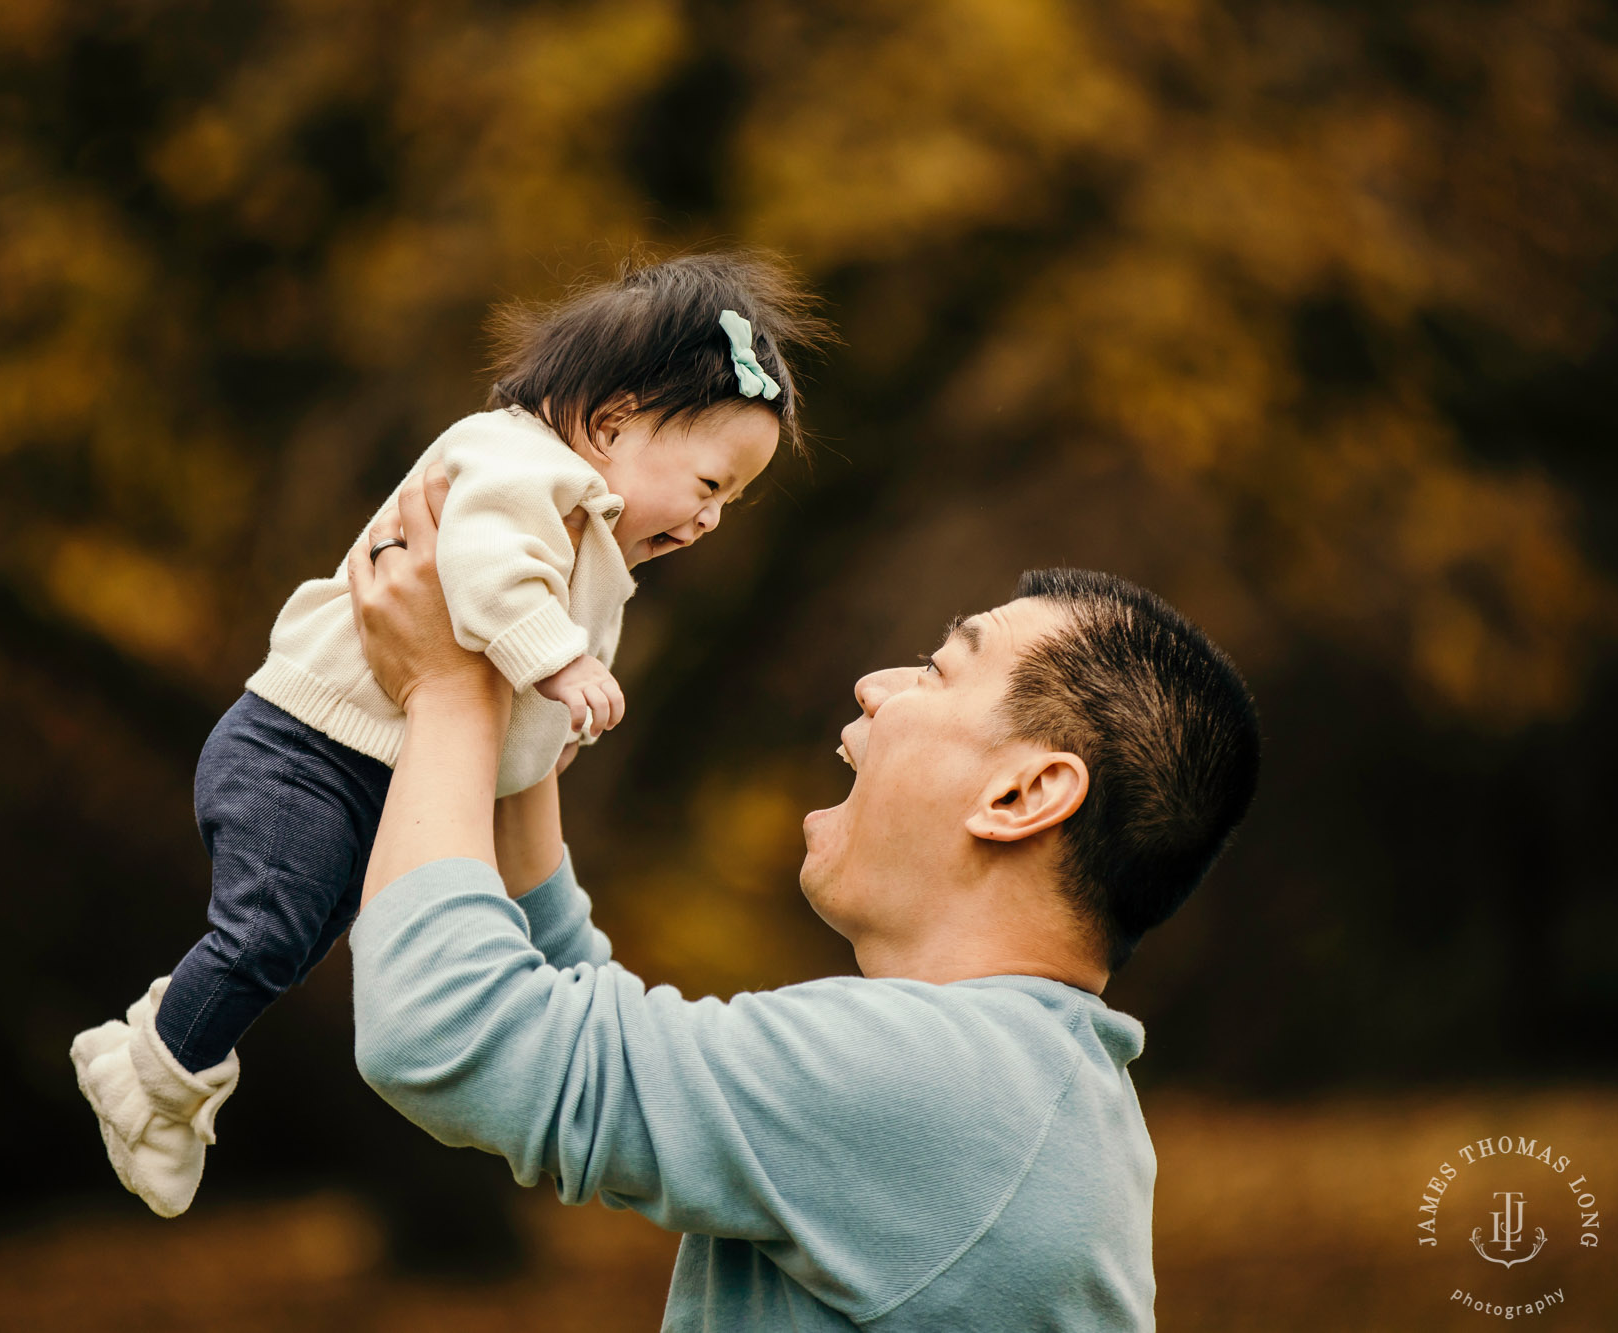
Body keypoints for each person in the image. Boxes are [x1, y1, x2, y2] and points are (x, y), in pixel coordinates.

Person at [344, 470, 1261, 1330]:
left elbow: (446, 1029)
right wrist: (524, 732)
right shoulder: (1014, 1083)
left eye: (940, 669)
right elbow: (589, 1038)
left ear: (1022, 795)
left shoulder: (940, 1083)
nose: (875, 684)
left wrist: (446, 694)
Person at [70, 252, 829, 1218]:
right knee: (269, 936)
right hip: (300, 748)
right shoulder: (520, 466)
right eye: (710, 482)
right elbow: (481, 572)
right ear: (610, 422)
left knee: (296, 938)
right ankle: (154, 1082)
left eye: (732, 501)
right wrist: (557, 664)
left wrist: (545, 726)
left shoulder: (584, 525)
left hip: (358, 767)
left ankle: (149, 1052)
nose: (713, 517)